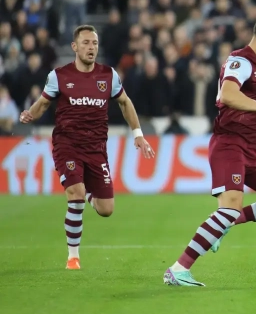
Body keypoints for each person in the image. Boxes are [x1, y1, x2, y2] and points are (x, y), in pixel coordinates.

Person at [164, 11, 256, 287]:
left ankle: (229, 222)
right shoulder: (240, 61)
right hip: (229, 145)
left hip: (254, 149)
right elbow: (228, 95)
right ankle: (178, 269)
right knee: (229, 207)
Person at [19, 25, 155, 270]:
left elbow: (125, 102)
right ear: (74, 46)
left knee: (106, 209)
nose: (91, 47)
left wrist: (138, 134)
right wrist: (30, 114)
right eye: (86, 43)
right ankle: (73, 257)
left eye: (94, 43)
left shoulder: (108, 75)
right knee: (75, 193)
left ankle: (88, 193)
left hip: (96, 149)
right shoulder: (59, 76)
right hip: (67, 144)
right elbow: (43, 104)